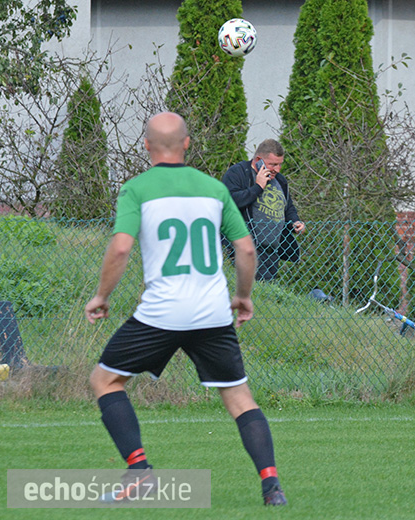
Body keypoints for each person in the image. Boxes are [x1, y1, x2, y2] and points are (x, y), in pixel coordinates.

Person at [85, 112, 287, 506]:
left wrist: (101, 296)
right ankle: (272, 487)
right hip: (212, 311)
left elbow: (121, 248)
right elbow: (246, 249)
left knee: (104, 381)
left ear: (146, 146)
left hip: (161, 312)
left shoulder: (136, 189)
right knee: (240, 398)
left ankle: (141, 473)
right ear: (187, 144)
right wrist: (244, 296)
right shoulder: (213, 188)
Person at [222, 139, 305, 281]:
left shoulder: (280, 180)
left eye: (280, 164)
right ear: (258, 160)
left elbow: (288, 207)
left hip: (272, 250)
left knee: (268, 288)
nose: (277, 169)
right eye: (272, 164)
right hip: (245, 248)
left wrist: (295, 222)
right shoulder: (238, 173)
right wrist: (258, 187)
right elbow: (230, 202)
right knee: (253, 288)